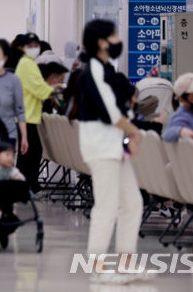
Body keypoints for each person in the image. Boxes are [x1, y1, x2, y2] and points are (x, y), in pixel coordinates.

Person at [74, 19, 145, 284]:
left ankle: (126, 262)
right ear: (102, 41)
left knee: (132, 203)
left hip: (114, 146)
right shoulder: (92, 70)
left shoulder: (106, 69)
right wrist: (134, 132)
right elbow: (110, 112)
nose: (118, 40)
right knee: (106, 205)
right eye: (113, 35)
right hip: (100, 146)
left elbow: (124, 97)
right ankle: (98, 265)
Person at [15, 33, 63, 193]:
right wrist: (53, 89)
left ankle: (25, 185)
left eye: (36, 45)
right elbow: (38, 88)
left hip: (27, 114)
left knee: (29, 152)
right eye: (30, 46)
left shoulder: (28, 63)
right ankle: (28, 185)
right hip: (26, 115)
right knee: (32, 151)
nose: (33, 49)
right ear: (22, 47)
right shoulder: (27, 64)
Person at [0, 39, 28, 156]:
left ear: (5, 58)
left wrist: (24, 137)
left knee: (4, 172)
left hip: (8, 134)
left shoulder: (13, 80)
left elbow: (20, 110)